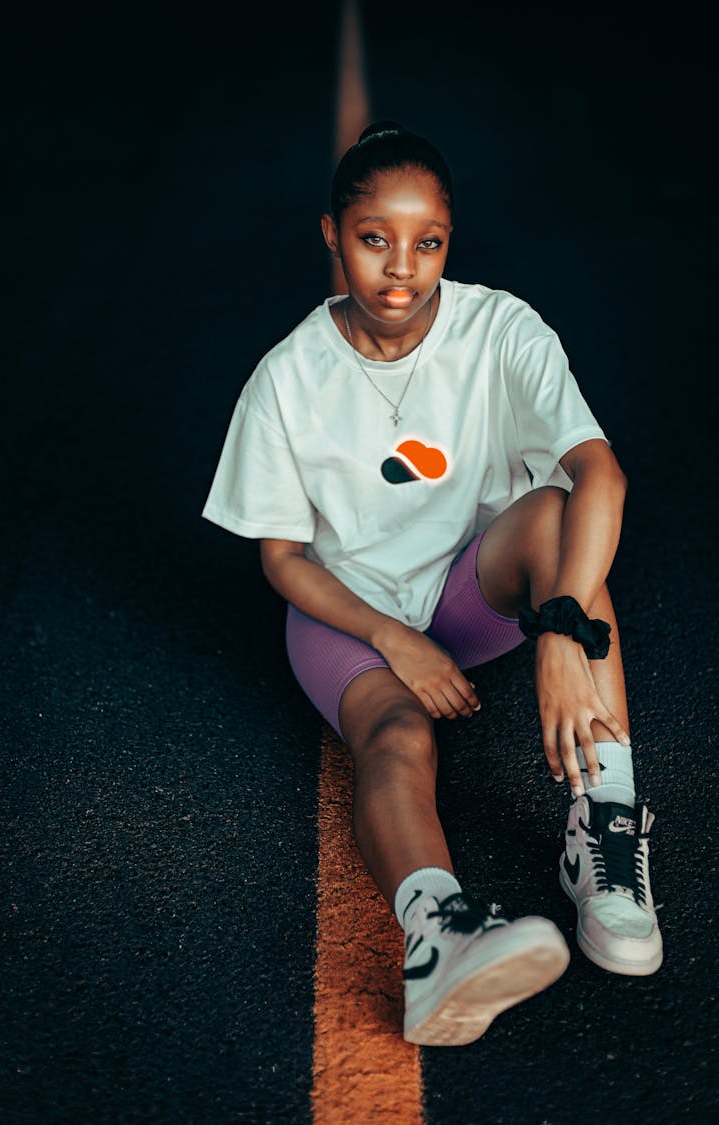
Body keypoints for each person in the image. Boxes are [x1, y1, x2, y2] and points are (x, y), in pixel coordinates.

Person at [202, 121, 662, 1046]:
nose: (401, 270)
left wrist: (562, 631)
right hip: (346, 610)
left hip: (469, 588)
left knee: (554, 510)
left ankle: (603, 832)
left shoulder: (501, 329)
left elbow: (599, 472)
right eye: (375, 239)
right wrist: (392, 638)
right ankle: (438, 939)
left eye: (428, 242)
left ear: (451, 240)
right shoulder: (286, 380)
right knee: (398, 734)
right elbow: (284, 561)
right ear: (332, 235)